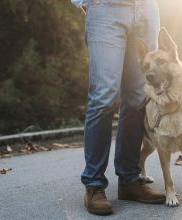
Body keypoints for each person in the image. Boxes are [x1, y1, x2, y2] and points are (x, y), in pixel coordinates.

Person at [71, 0, 165, 215]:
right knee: (104, 95)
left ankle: (129, 180)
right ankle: (94, 184)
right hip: (105, 7)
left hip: (145, 9)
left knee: (139, 97)